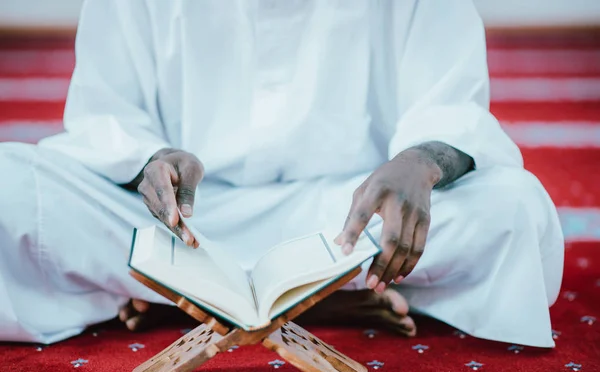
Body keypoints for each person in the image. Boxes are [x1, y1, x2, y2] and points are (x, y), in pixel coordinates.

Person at [0, 0, 563, 347]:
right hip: (188, 223)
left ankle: (183, 299)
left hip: (350, 220)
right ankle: (321, 299)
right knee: (8, 187)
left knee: (515, 208)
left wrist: (420, 162)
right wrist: (151, 159)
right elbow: (106, 113)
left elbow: (449, 99)